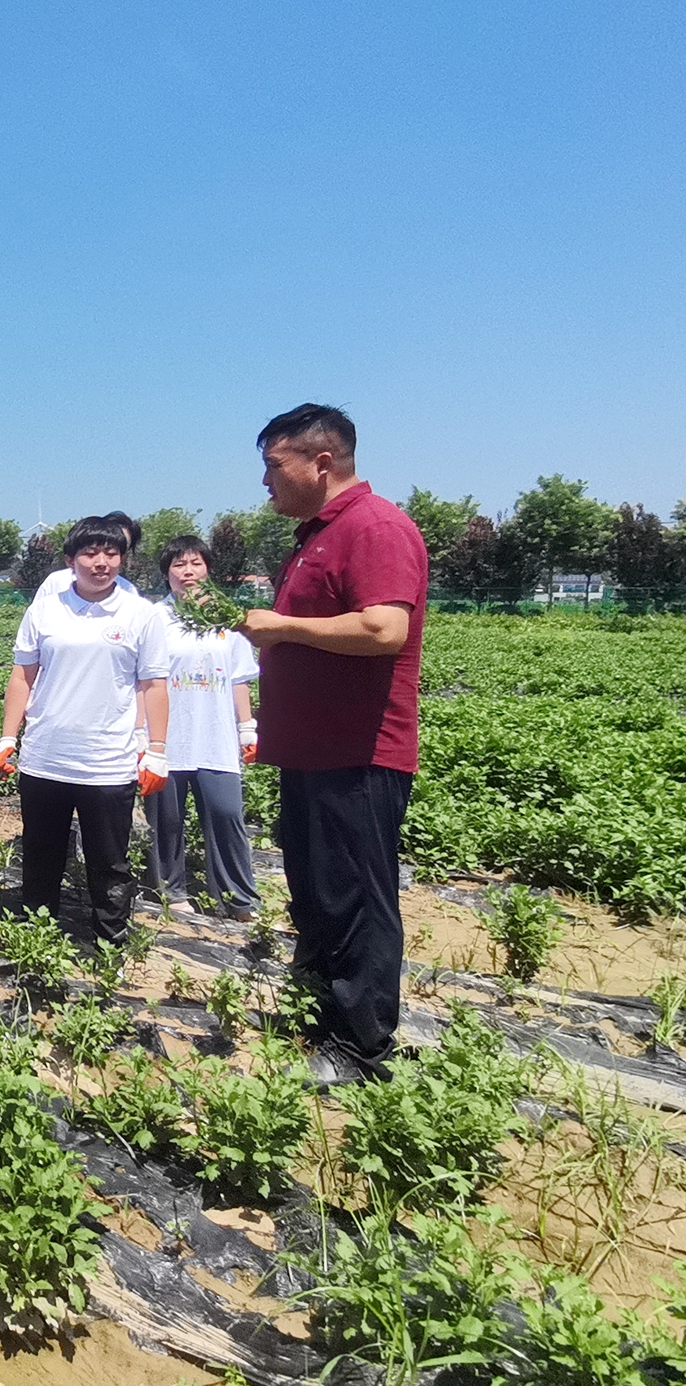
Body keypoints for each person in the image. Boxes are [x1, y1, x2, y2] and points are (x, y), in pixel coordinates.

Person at [240, 403, 426, 1086]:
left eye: (273, 465)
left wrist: (284, 628)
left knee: (356, 898)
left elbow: (384, 630)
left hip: (359, 752)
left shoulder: (375, 527)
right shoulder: (318, 532)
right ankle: (319, 1018)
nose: (266, 482)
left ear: (321, 462)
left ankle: (360, 1046)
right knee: (316, 893)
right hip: (313, 751)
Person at [0, 517, 171, 949]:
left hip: (107, 762)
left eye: (111, 553)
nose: (101, 562)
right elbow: (22, 676)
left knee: (109, 863)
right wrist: (8, 736)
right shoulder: (46, 609)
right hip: (45, 758)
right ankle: (36, 941)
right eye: (90, 553)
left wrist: (158, 750)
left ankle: (110, 945)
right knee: (41, 856)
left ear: (122, 558)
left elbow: (154, 684)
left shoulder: (141, 614)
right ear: (71, 561)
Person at [149, 535, 260, 919]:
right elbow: (144, 682)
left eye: (196, 563)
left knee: (227, 813)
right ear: (167, 573)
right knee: (166, 819)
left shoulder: (227, 618)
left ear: (208, 569)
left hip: (216, 736)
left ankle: (239, 898)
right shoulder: (155, 619)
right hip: (168, 736)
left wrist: (247, 727)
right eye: (179, 565)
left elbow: (238, 678)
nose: (188, 572)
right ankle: (172, 891)